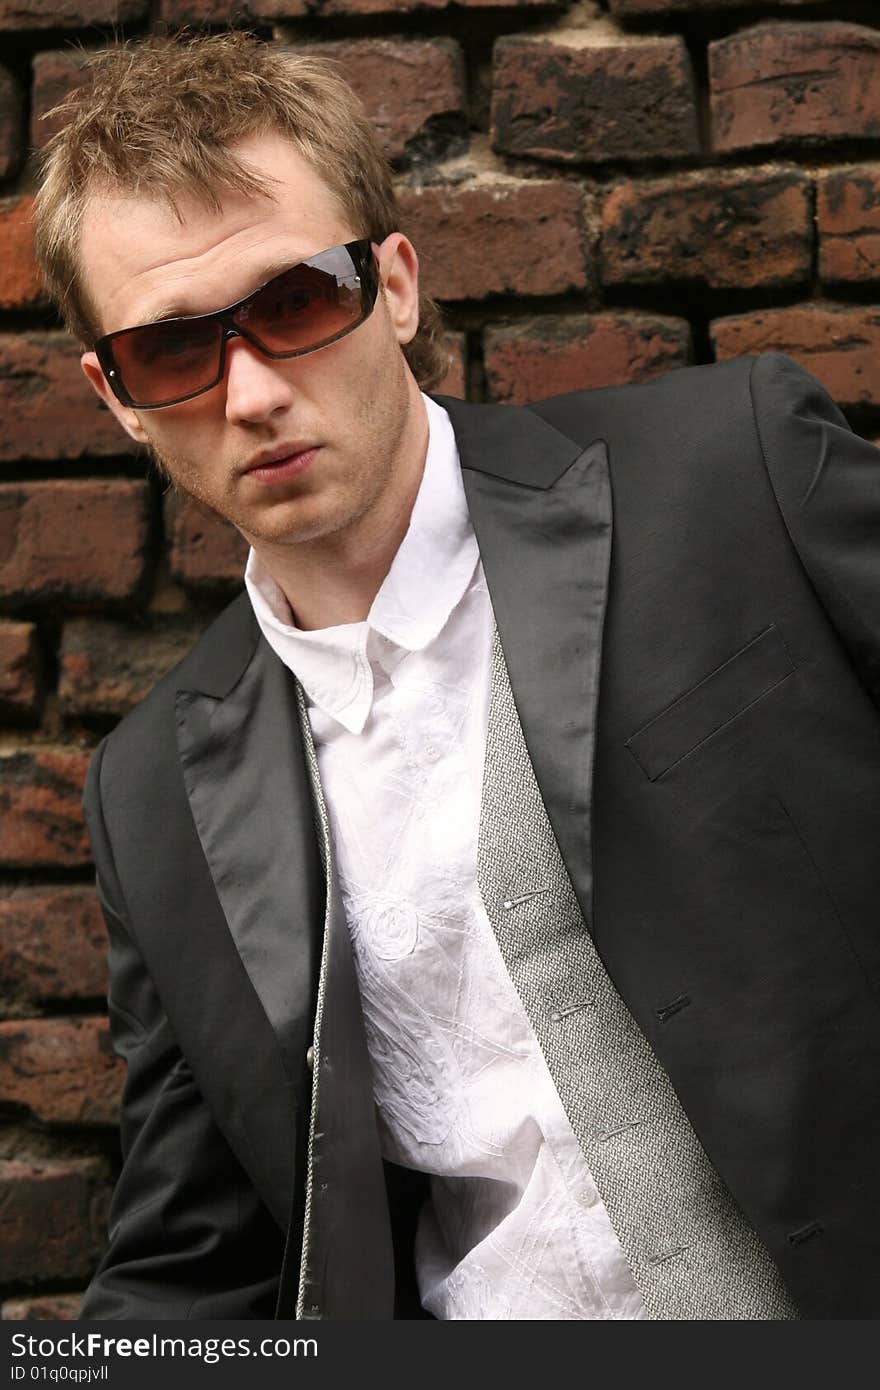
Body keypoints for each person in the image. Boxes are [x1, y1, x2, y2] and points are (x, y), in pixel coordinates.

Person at [33, 30, 880, 1322]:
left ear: (398, 285)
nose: (251, 391)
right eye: (173, 352)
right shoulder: (153, 796)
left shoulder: (736, 478)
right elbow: (196, 1270)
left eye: (298, 300)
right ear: (115, 397)